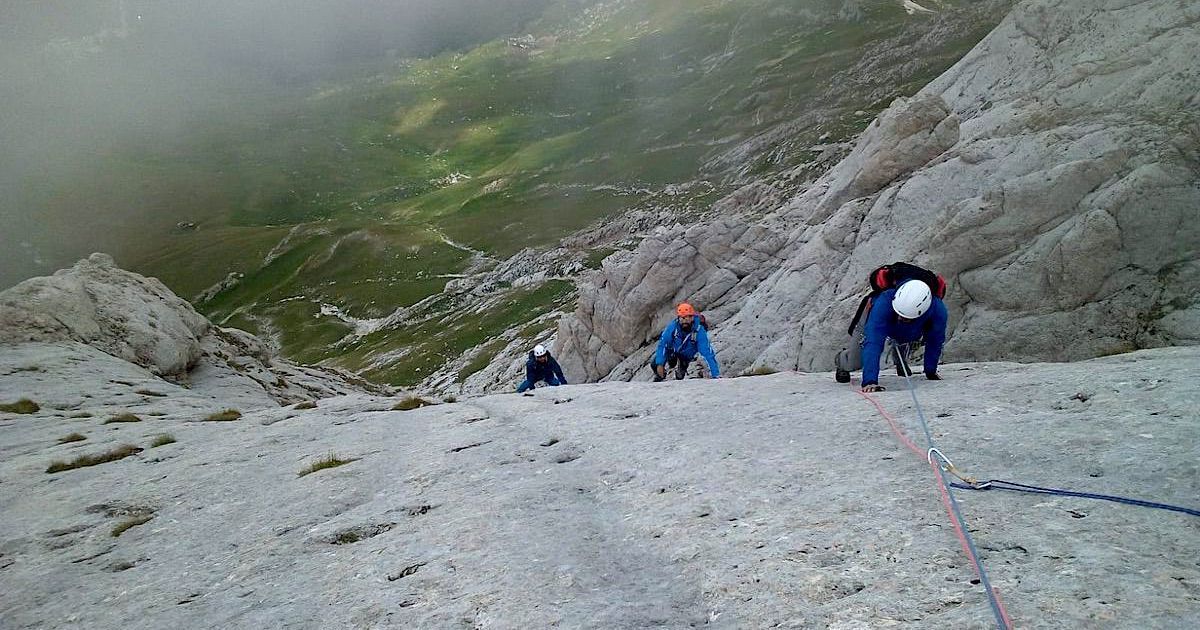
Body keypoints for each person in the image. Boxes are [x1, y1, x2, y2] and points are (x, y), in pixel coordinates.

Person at [835, 280, 947, 392]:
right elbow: (873, 342)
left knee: (909, 334)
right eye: (899, 314)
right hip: (873, 314)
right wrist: (870, 381)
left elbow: (935, 341)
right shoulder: (884, 302)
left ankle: (899, 359)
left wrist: (931, 371)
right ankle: (842, 359)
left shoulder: (938, 312)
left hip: (909, 328)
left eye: (904, 317)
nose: (900, 318)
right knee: (854, 363)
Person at [652, 303, 721, 381]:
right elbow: (663, 345)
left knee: (680, 375)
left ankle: (682, 367)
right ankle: (660, 377)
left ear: (692, 318)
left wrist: (715, 375)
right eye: (682, 318)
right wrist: (660, 364)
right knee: (654, 364)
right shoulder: (672, 327)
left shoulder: (698, 331)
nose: (684, 320)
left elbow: (707, 353)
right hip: (672, 351)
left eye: (687, 318)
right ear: (678, 318)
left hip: (686, 355)